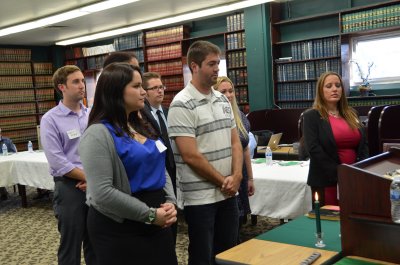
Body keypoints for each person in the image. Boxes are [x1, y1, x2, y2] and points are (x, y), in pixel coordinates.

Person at [79, 63, 178, 265]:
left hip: (157, 221)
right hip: (121, 226)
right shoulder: (97, 134)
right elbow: (102, 193)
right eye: (136, 86)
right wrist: (150, 215)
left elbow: (159, 164)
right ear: (116, 91)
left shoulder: (141, 125)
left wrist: (171, 201)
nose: (143, 92)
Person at [168, 40, 243, 265]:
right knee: (203, 255)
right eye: (211, 64)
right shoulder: (181, 104)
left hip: (228, 192)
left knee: (229, 253)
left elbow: (235, 142)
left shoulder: (222, 99)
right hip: (200, 197)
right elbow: (190, 156)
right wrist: (224, 181)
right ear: (194, 66)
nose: (217, 69)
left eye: (217, 63)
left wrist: (237, 176)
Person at [40, 65, 96, 265]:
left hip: (95, 185)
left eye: (82, 81)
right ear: (61, 87)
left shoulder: (92, 114)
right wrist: (88, 178)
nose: (82, 86)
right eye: (76, 82)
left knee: (96, 243)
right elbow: (57, 160)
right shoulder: (50, 119)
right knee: (70, 247)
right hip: (70, 187)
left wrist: (95, 180)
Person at [303, 71, 368, 207]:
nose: (334, 89)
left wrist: (361, 168)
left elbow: (363, 144)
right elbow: (313, 149)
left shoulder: (351, 113)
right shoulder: (312, 116)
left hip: (354, 176)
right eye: (329, 86)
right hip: (327, 178)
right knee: (329, 222)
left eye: (338, 85)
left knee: (353, 218)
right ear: (321, 91)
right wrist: (340, 173)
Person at [213, 76, 255, 233]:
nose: (229, 95)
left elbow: (245, 149)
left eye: (231, 91)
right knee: (226, 224)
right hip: (225, 175)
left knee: (238, 221)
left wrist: (250, 178)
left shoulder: (240, 116)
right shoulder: (214, 118)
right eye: (223, 91)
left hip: (241, 174)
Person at [142, 71, 178, 243]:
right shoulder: (141, 115)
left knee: (173, 215)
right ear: (145, 92)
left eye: (161, 87)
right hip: (157, 172)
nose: (160, 91)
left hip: (174, 168)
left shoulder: (168, 111)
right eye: (154, 88)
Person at [0, 128, 16, 200]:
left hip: (7, 165)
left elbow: (14, 153)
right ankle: (2, 191)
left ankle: (2, 191)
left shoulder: (7, 141)